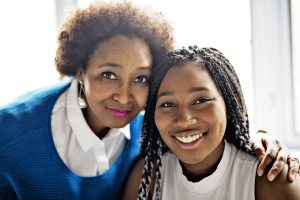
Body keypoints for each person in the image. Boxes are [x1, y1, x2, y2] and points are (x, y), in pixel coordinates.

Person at [0, 1, 298, 199]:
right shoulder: (9, 136)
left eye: (141, 78)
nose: (125, 95)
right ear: (79, 70)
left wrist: (262, 139)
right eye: (108, 74)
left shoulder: (150, 132)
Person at [123, 46, 300, 200]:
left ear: (228, 106)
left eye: (200, 100)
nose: (185, 119)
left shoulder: (269, 179)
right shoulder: (147, 178)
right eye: (168, 104)